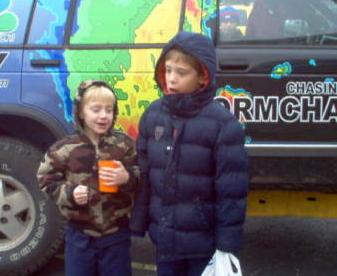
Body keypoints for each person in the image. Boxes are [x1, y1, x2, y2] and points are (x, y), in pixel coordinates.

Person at [130, 32, 249, 276]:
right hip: (163, 237)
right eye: (168, 70)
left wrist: (227, 244)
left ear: (202, 77)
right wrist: (137, 222)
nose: (171, 78)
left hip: (202, 243)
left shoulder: (223, 124)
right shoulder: (153, 115)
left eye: (181, 73)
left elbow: (232, 191)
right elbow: (145, 175)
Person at [37, 79, 139, 276]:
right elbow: (45, 179)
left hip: (116, 235)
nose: (103, 116)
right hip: (79, 236)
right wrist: (70, 193)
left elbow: (142, 172)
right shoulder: (64, 148)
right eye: (96, 109)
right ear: (81, 113)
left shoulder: (124, 145)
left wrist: (127, 177)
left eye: (109, 110)